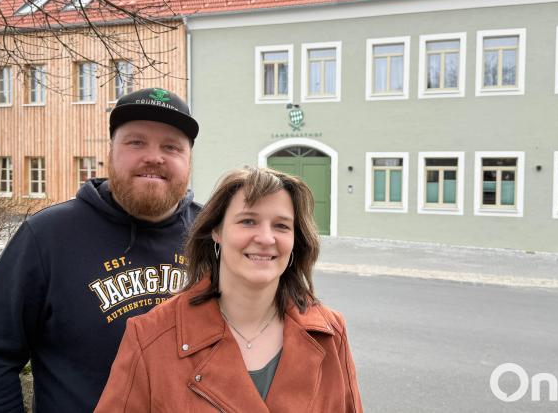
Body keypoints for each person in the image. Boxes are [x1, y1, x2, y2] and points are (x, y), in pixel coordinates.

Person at [0, 88, 201, 412]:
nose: (154, 157)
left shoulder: (213, 236)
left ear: (188, 160)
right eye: (136, 142)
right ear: (110, 151)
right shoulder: (47, 236)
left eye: (171, 146)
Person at [95, 167, 363, 412]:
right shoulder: (151, 336)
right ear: (217, 231)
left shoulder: (329, 333)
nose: (266, 238)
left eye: (281, 225)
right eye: (248, 221)